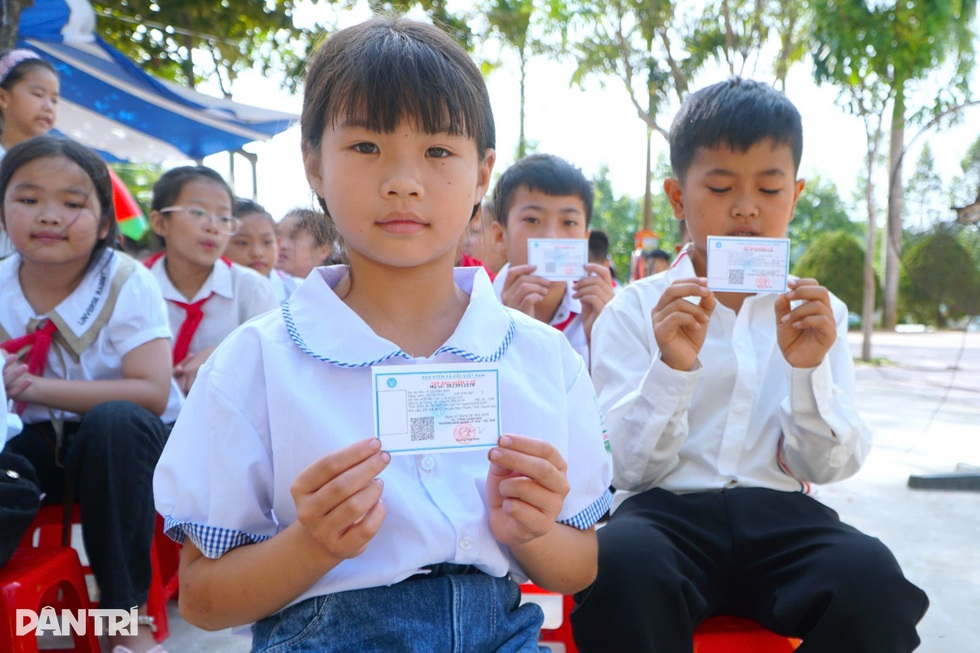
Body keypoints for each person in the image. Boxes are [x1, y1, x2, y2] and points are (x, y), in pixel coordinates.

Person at [153, 17, 611, 652]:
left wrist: (533, 531)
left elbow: (578, 565)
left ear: (483, 174)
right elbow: (201, 598)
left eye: (438, 151)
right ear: (313, 163)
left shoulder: (542, 358)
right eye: (366, 147)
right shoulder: (256, 362)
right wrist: (309, 545)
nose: (403, 180)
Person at [571, 78, 928, 652]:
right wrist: (672, 367)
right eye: (719, 187)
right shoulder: (634, 310)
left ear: (795, 194)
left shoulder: (819, 314)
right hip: (666, 515)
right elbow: (627, 473)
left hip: (780, 513)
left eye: (769, 188)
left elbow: (828, 465)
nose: (745, 207)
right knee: (619, 564)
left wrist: (810, 373)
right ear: (678, 198)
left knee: (872, 579)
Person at [0, 136, 182, 653]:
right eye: (28, 199)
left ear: (105, 222)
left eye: (73, 203)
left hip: (129, 448)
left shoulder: (128, 281)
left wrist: (36, 386)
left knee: (114, 425)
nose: (50, 216)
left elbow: (150, 391)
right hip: (35, 443)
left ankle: (126, 625)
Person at [145, 166, 278, 395]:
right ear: (160, 223)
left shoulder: (252, 288)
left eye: (225, 218)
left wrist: (222, 357)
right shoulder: (133, 285)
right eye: (197, 212)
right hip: (148, 417)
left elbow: (274, 363)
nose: (213, 227)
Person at [491, 153, 614, 365]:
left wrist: (602, 339)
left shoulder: (603, 308)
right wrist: (515, 333)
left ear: (585, 239)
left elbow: (614, 394)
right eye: (532, 219)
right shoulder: (472, 312)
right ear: (501, 237)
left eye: (568, 222)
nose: (551, 237)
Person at [0, 49, 58, 259]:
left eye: (54, 100)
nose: (48, 107)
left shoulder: (59, 165)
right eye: (38, 94)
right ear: (3, 97)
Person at [225, 197, 298, 303]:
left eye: (267, 242)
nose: (257, 253)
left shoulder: (298, 292)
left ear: (278, 244)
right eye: (242, 243)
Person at [275, 207, 336, 279]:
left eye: (294, 237)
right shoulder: (262, 285)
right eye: (278, 237)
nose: (282, 245)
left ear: (323, 251)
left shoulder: (333, 288)